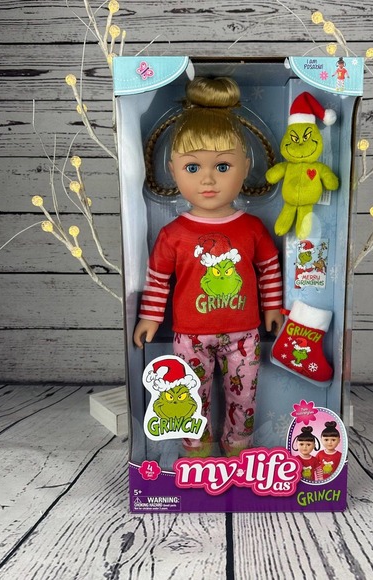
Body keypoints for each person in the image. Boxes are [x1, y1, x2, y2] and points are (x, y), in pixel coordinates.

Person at [133, 77, 284, 457]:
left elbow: (268, 268)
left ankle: (239, 445)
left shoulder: (251, 228)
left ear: (245, 166)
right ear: (172, 169)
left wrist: (272, 309)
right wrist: (150, 317)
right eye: (192, 166)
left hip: (244, 333)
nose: (207, 179)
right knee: (189, 394)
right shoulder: (174, 234)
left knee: (244, 394)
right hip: (189, 335)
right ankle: (195, 448)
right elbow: (158, 279)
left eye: (222, 166)